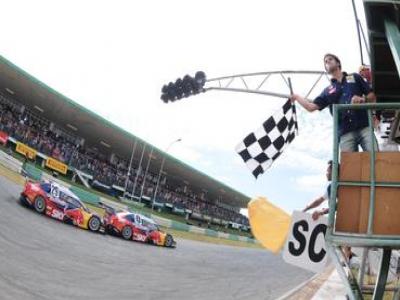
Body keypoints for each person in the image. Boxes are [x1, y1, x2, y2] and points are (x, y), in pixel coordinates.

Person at [291, 53, 377, 152]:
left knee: (376, 160)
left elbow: (372, 96)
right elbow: (311, 107)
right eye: (325, 62)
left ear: (338, 63)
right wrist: (297, 97)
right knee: (349, 165)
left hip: (364, 126)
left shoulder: (355, 76)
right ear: (326, 69)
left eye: (330, 59)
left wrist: (363, 99)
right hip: (345, 132)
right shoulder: (327, 90)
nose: (327, 62)